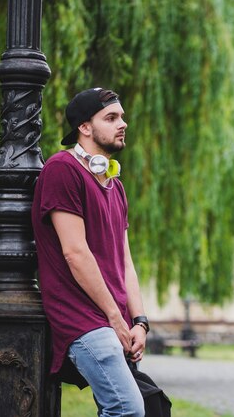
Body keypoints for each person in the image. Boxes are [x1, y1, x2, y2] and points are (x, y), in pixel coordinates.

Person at [32, 87, 150, 416]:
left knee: (126, 407)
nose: (122, 123)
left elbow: (125, 262)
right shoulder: (62, 170)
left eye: (122, 117)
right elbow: (75, 253)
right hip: (83, 319)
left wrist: (139, 322)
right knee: (127, 409)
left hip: (115, 322)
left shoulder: (115, 185)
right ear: (85, 127)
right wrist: (115, 318)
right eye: (111, 118)